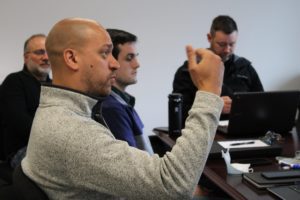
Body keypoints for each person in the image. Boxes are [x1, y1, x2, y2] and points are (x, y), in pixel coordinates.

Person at [22, 17, 224, 199]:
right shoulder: (72, 132)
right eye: (105, 54)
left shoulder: (58, 112)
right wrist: (209, 92)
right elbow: (174, 185)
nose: (114, 64)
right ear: (72, 59)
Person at [173, 15, 264, 126]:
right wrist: (214, 108)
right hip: (205, 136)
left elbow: (261, 106)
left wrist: (239, 107)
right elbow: (178, 115)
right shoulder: (189, 71)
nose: (227, 50)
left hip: (242, 134)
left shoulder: (245, 68)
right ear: (209, 38)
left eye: (232, 44)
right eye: (222, 44)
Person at [0, 34, 51, 168]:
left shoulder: (56, 86)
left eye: (48, 52)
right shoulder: (14, 82)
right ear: (26, 57)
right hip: (22, 151)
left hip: (52, 146)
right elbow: (21, 123)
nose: (46, 57)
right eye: (40, 52)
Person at [100, 29, 153, 154]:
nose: (137, 64)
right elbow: (134, 167)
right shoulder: (111, 108)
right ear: (111, 62)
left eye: (136, 57)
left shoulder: (121, 102)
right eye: (129, 58)